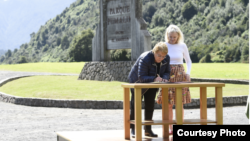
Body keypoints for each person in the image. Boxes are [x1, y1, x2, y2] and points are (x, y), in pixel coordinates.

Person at [128, 42, 171, 138]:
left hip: (153, 83)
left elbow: (167, 71)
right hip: (137, 82)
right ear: (154, 51)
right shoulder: (145, 58)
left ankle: (148, 130)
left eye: (163, 56)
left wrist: (164, 78)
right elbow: (141, 76)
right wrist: (154, 79)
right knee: (136, 106)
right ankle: (133, 129)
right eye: (159, 55)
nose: (161, 58)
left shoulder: (167, 58)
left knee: (150, 106)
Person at [156, 24, 192, 135]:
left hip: (180, 75)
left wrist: (188, 73)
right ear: (167, 35)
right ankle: (169, 127)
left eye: (174, 37)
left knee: (179, 102)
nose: (172, 39)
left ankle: (179, 127)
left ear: (178, 36)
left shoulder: (183, 46)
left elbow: (188, 61)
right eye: (170, 36)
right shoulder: (164, 45)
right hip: (167, 74)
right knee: (168, 103)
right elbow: (158, 59)